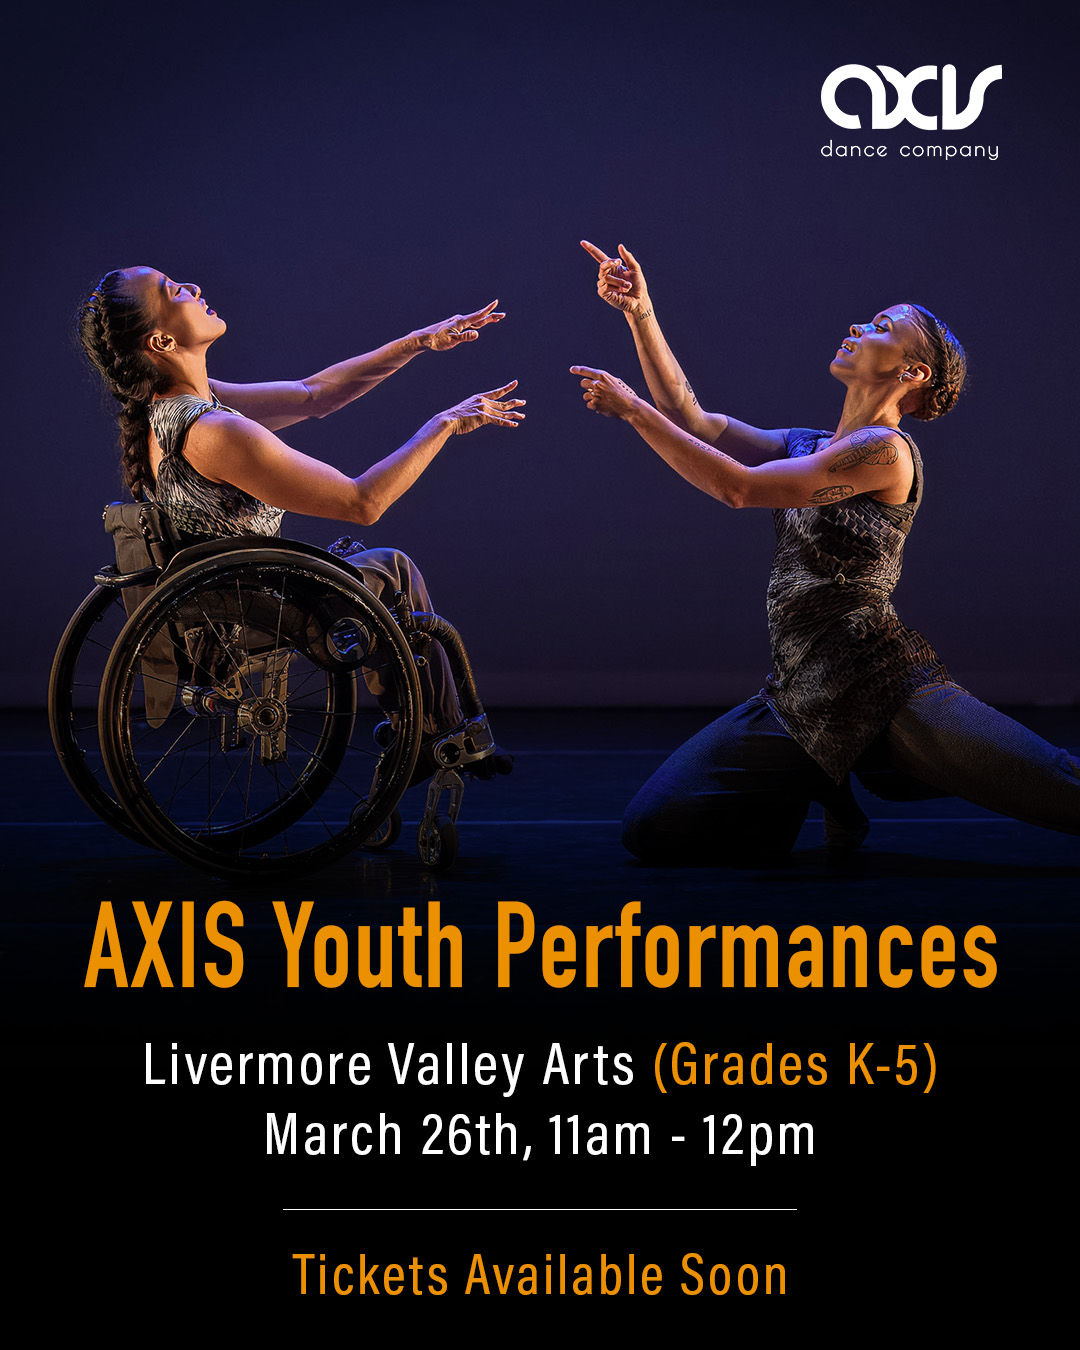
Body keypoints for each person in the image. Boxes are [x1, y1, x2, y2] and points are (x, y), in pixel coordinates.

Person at [572, 240, 1079, 862]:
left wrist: (633, 413)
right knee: (653, 827)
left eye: (881, 327)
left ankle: (845, 769)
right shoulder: (810, 444)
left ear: (912, 373)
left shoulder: (885, 453)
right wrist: (640, 312)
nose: (858, 327)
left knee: (1063, 789)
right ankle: (817, 776)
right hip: (798, 690)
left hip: (876, 682)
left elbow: (737, 488)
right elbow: (693, 419)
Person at [78, 265, 523, 756]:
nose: (194, 287)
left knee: (368, 569)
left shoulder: (176, 407)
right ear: (161, 342)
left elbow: (316, 395)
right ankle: (438, 738)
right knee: (392, 568)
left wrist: (418, 342)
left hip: (226, 602)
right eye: (173, 291)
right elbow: (363, 501)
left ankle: (420, 733)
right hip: (245, 613)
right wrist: (443, 424)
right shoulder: (213, 432)